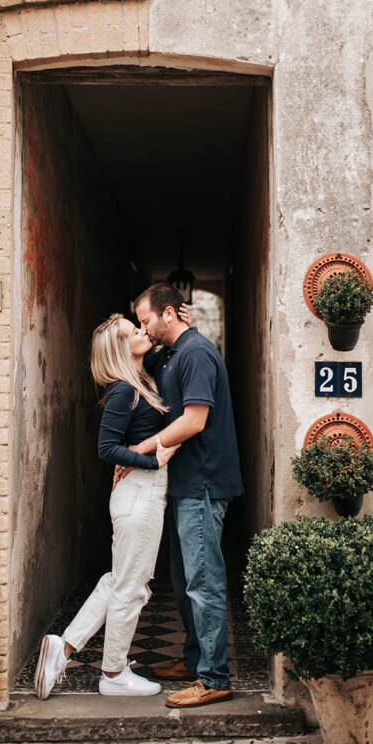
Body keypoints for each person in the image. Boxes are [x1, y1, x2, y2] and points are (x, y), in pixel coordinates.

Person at [34, 313, 178, 699]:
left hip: (140, 494)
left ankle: (63, 648)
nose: (142, 330)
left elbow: (169, 348)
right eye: (134, 331)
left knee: (120, 580)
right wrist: (153, 460)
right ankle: (113, 673)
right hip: (140, 494)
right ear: (120, 348)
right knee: (132, 585)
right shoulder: (123, 391)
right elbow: (106, 448)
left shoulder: (140, 380)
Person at [132, 283, 244, 708]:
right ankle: (197, 661)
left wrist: (140, 449)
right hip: (184, 484)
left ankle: (214, 677)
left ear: (168, 315)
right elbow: (137, 363)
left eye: (146, 321)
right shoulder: (173, 353)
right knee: (183, 583)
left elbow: (195, 420)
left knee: (204, 582)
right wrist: (140, 344)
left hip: (203, 484)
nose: (144, 329)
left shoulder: (196, 353)